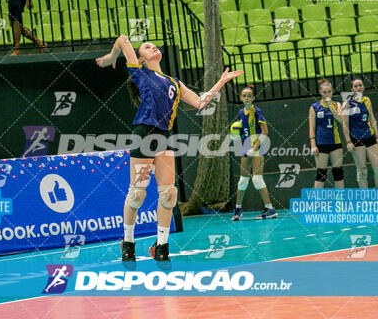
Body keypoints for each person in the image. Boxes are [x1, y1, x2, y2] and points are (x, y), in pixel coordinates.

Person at [96, 35, 242, 262]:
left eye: (152, 45)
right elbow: (123, 39)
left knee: (169, 194)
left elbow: (201, 102)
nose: (151, 46)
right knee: (136, 194)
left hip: (163, 138)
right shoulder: (141, 73)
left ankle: (161, 246)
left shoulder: (174, 82)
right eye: (146, 47)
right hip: (144, 135)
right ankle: (128, 241)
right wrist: (111, 56)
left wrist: (221, 82)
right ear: (141, 59)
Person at [230, 84, 277, 221]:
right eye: (244, 96)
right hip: (245, 147)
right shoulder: (240, 113)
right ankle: (238, 209)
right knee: (243, 180)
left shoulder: (257, 111)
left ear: (253, 98)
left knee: (257, 178)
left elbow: (265, 132)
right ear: (240, 98)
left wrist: (254, 148)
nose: (246, 98)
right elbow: (241, 130)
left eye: (249, 96)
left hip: (257, 147)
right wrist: (235, 135)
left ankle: (270, 209)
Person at [341, 79, 378, 188]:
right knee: (362, 170)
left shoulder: (367, 100)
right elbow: (345, 124)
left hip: (369, 137)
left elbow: (372, 119)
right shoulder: (347, 102)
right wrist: (348, 142)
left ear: (363, 87)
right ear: (351, 89)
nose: (358, 88)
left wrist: (377, 137)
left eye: (360, 85)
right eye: (355, 86)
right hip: (356, 139)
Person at [308, 79, 347, 188]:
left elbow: (340, 120)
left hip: (335, 142)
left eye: (329, 92)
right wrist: (313, 145)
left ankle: (340, 202)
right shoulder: (314, 107)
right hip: (321, 143)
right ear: (320, 92)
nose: (327, 94)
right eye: (324, 92)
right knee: (321, 173)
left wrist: (330, 106)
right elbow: (312, 127)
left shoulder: (337, 104)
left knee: (338, 172)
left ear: (332, 92)